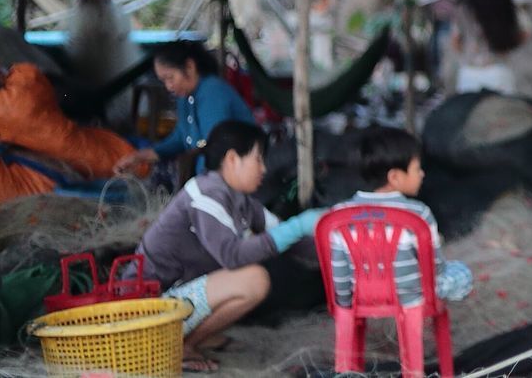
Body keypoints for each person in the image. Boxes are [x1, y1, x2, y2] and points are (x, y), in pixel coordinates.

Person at [134, 121, 323, 372]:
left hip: (179, 297)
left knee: (255, 269)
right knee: (254, 279)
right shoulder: (206, 193)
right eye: (258, 159)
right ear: (233, 159)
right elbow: (232, 255)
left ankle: (199, 334)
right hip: (148, 305)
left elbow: (288, 240)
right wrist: (297, 226)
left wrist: (336, 251)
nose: (264, 169)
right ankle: (181, 346)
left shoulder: (243, 201)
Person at [327, 127, 473, 308]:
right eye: (417, 169)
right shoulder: (418, 213)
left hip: (363, 296)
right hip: (412, 297)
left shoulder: (339, 214)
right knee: (462, 272)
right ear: (395, 177)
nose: (422, 174)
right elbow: (435, 267)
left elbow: (339, 268)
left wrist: (345, 303)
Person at [114, 41, 255, 175]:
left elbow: (216, 149)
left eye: (170, 78)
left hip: (241, 174)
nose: (168, 86)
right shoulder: (186, 97)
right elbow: (181, 138)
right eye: (163, 81)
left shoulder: (212, 92)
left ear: (189, 67)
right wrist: (139, 157)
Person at [449, 0, 528, 96]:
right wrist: (507, 45)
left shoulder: (462, 6)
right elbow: (525, 31)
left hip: (469, 75)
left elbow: (455, 42)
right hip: (500, 74)